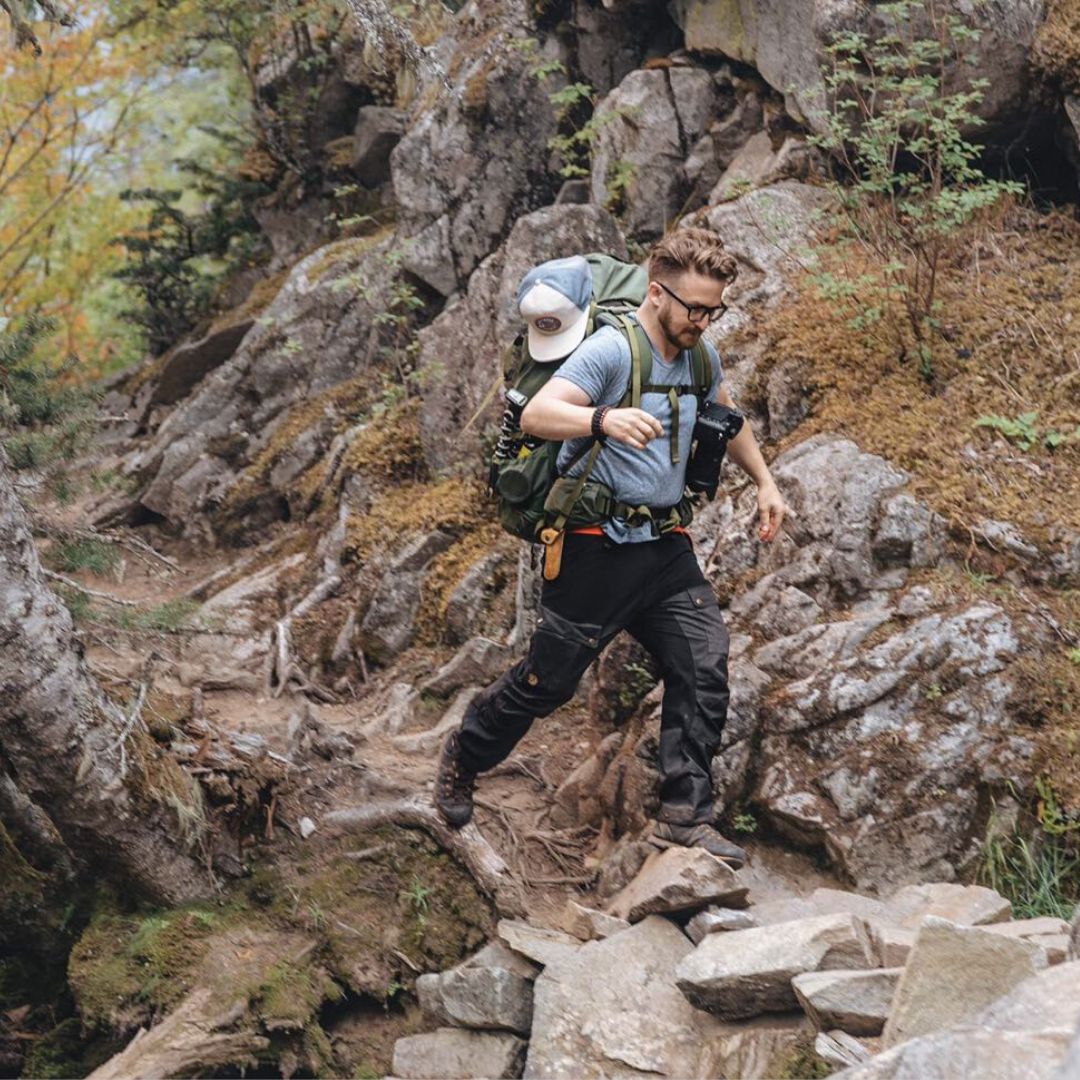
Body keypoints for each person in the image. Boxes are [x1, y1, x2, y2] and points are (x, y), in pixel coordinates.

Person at [434, 228, 787, 867]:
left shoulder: (700, 357)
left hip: (664, 546)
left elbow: (727, 417)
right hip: (594, 548)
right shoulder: (611, 351)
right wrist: (603, 418)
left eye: (714, 310)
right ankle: (466, 753)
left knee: (704, 662)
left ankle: (685, 816)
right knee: (547, 684)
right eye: (694, 308)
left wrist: (765, 481)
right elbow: (540, 413)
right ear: (656, 294)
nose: (703, 321)